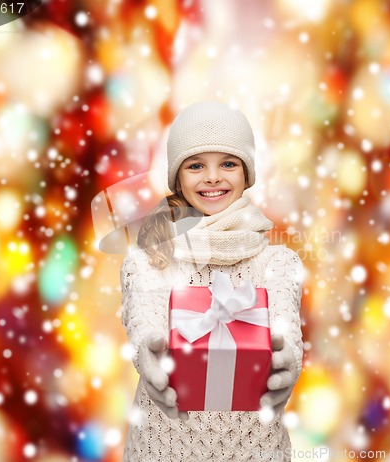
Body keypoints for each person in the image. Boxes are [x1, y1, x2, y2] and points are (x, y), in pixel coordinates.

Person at [120, 101, 304, 461]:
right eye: (196, 165)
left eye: (228, 163)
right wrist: (147, 350)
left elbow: (286, 331)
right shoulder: (148, 261)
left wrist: (289, 360)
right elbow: (144, 321)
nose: (213, 177)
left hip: (256, 451)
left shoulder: (278, 263)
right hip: (162, 450)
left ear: (247, 174)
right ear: (178, 177)